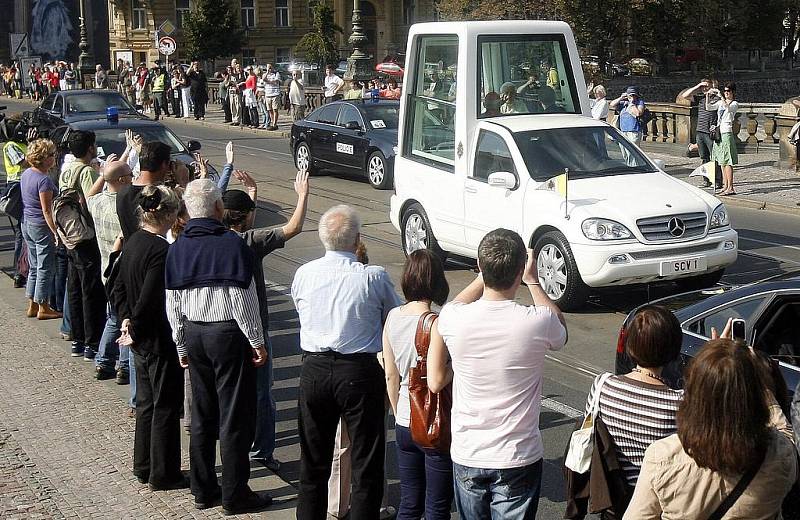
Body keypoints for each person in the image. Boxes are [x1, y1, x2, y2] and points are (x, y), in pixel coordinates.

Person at [428, 228, 567, 519]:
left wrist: (483, 274)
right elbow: (560, 329)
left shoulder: (454, 318)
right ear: (521, 269)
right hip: (517, 455)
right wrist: (533, 281)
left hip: (469, 452)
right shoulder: (537, 321)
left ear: (480, 267)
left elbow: (452, 306)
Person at [165, 179, 272, 515]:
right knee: (234, 416)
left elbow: (173, 302)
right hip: (227, 334)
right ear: (217, 209)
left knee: (202, 413)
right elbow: (243, 298)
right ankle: (235, 493)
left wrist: (180, 343)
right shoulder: (231, 245)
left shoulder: (177, 247)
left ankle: (203, 488)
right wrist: (256, 340)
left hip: (194, 334)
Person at [291, 204, 402, 519]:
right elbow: (391, 320)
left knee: (313, 462)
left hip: (314, 368)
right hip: (357, 371)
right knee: (366, 462)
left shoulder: (304, 274)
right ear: (358, 241)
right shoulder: (372, 276)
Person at [624, 339, 797, 519]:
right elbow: (785, 433)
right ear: (755, 397)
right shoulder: (781, 455)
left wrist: (714, 364)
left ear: (693, 394)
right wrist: (758, 384)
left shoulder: (662, 456)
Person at [221, 165, 310, 471]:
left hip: (223, 329)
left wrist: (252, 194)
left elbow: (244, 220)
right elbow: (293, 227)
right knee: (262, 394)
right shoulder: (251, 243)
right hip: (256, 329)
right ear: (246, 217)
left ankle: (234, 446)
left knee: (232, 393)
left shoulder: (216, 240)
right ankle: (262, 452)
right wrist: (302, 195)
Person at [114, 184, 186, 491]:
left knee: (145, 403)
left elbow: (117, 287)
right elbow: (150, 297)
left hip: (138, 337)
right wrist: (136, 326)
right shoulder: (161, 250)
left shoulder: (133, 243)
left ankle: (142, 464)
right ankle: (163, 471)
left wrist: (125, 321)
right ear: (167, 215)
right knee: (165, 404)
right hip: (157, 337)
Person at [382, 249, 453, 520]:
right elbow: (436, 381)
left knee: (409, 505)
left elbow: (391, 375)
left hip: (404, 421)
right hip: (433, 423)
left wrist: (401, 410)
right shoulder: (437, 322)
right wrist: (453, 366)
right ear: (437, 281)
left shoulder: (392, 317)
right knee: (436, 507)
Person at [584, 305, 683, 498]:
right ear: (674, 347)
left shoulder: (602, 385)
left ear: (630, 345)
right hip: (658, 498)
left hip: (612, 495)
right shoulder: (678, 403)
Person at [59, 130, 107, 361]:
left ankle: (77, 340)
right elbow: (92, 203)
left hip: (70, 235)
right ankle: (92, 342)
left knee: (75, 288)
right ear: (90, 148)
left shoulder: (66, 170)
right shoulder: (87, 171)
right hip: (86, 236)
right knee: (91, 291)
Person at [88, 160, 133, 382]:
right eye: (130, 175)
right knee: (125, 318)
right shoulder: (126, 206)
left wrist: (104, 175)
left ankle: (103, 362)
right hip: (123, 270)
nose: (133, 178)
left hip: (107, 267)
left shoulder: (96, 203)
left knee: (114, 317)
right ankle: (123, 366)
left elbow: (89, 194)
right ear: (123, 180)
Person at [20, 138, 62, 320]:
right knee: (45, 267)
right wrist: (55, 232)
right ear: (43, 158)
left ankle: (33, 304)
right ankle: (43, 306)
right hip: (40, 225)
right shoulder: (43, 180)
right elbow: (46, 210)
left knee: (34, 265)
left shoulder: (27, 173)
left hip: (27, 222)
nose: (54, 158)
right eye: (51, 155)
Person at [2, 124, 35, 288]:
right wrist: (34, 147)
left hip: (26, 185)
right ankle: (19, 272)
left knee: (24, 233)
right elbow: (23, 162)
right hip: (17, 189)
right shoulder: (10, 146)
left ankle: (24, 269)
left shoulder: (22, 144)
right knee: (21, 233)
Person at [679, 78, 721, 188]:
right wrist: (698, 86)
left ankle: (717, 180)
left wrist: (715, 91)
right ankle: (706, 179)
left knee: (714, 157)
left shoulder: (717, 98)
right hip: (700, 131)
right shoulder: (700, 99)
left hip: (710, 132)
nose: (705, 88)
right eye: (703, 87)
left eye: (707, 86)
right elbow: (684, 96)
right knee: (704, 157)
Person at [708, 82, 739, 196]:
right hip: (719, 132)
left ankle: (730, 187)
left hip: (727, 132)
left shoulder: (734, 103)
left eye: (728, 91)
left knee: (728, 160)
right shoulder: (721, 103)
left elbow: (729, 109)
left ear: (732, 92)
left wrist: (721, 97)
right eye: (725, 91)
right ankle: (725, 186)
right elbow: (709, 107)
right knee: (721, 160)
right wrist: (708, 95)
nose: (726, 93)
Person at [263, 64, 281, 131]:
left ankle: (274, 123)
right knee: (270, 110)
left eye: (270, 68)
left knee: (275, 109)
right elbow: (263, 78)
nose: (269, 69)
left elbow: (275, 82)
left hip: (275, 93)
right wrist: (267, 72)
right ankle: (272, 122)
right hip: (268, 94)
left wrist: (268, 81)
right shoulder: (266, 74)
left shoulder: (276, 74)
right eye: (268, 68)